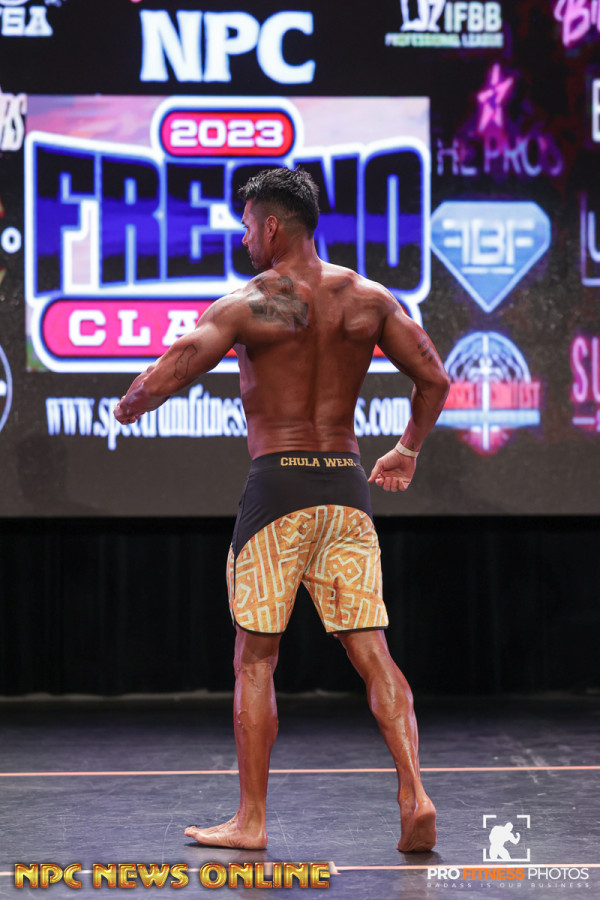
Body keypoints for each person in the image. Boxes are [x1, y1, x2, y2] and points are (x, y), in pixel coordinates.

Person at [114, 166, 450, 853]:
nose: (243, 239)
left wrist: (130, 403)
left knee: (256, 659)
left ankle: (252, 820)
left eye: (246, 226)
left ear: (271, 226)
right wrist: (407, 449)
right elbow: (435, 379)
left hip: (278, 493)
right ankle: (415, 792)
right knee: (372, 651)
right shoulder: (368, 299)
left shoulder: (249, 304)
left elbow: (177, 366)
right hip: (346, 491)